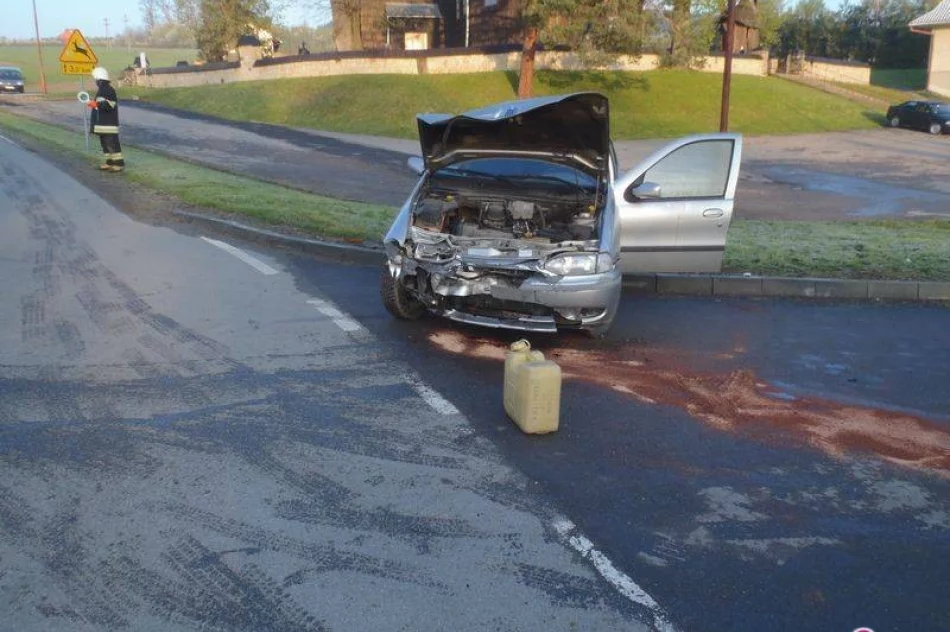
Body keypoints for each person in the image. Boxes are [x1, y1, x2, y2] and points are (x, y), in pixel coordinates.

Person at [87, 67, 124, 172]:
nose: (95, 82)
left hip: (108, 125)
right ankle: (109, 162)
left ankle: (119, 164)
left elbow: (110, 105)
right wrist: (94, 105)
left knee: (113, 145)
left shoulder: (109, 90)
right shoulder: (101, 90)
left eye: (96, 79)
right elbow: (100, 106)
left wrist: (96, 104)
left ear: (100, 79)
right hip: (102, 125)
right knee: (105, 146)